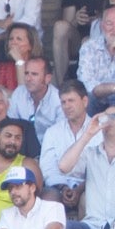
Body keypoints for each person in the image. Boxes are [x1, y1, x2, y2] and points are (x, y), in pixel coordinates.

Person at [38, 80, 91, 212]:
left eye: (71, 100)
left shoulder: (99, 130)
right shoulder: (52, 132)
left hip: (89, 185)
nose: (67, 106)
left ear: (84, 101)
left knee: (87, 198)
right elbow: (47, 168)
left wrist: (79, 190)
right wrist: (64, 188)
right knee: (48, 199)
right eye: (63, 102)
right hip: (59, 185)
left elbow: (100, 169)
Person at [8, 56, 63, 141]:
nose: (28, 79)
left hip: (51, 148)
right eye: (26, 73)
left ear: (47, 78)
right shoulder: (19, 93)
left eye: (34, 74)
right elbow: (11, 126)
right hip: (21, 146)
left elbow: (61, 135)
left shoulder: (59, 100)